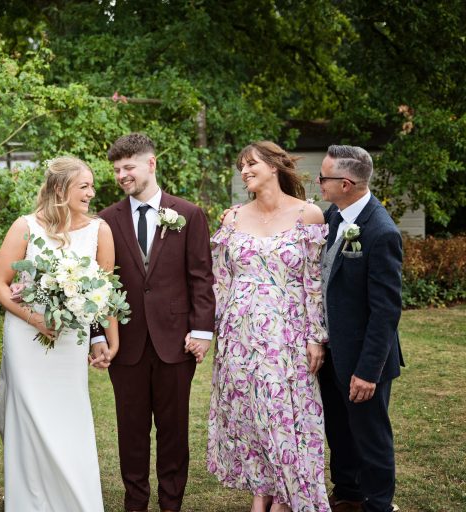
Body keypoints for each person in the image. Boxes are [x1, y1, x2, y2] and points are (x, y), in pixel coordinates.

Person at [92, 133, 216, 512]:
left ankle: (171, 503)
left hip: (175, 341)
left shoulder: (189, 214)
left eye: (128, 167)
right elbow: (97, 283)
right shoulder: (104, 221)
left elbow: (201, 276)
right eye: (116, 169)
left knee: (174, 429)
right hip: (124, 342)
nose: (121, 175)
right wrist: (97, 333)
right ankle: (135, 502)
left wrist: (201, 330)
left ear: (151, 163)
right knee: (130, 431)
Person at [206, 141, 330, 512]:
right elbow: (220, 280)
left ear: (275, 166)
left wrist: (315, 337)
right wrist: (211, 331)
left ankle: (289, 493)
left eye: (251, 164)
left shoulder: (308, 216)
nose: (244, 171)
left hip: (286, 333)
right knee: (248, 414)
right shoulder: (232, 218)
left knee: (283, 412)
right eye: (240, 166)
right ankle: (261, 492)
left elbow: (313, 283)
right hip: (238, 332)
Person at [0, 156, 118, 512]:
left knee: (69, 416)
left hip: (68, 343)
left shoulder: (99, 230)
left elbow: (104, 294)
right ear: (61, 189)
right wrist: (34, 318)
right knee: (29, 417)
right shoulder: (25, 227)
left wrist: (109, 340)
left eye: (92, 186)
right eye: (84, 186)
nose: (92, 193)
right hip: (26, 338)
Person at [317, 145, 403, 512]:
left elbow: (385, 311)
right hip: (332, 351)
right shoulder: (332, 217)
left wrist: (368, 372)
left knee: (371, 436)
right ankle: (349, 493)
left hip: (364, 358)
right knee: (339, 430)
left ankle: (378, 504)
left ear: (346, 183)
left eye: (323, 178)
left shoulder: (381, 231)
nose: (318, 182)